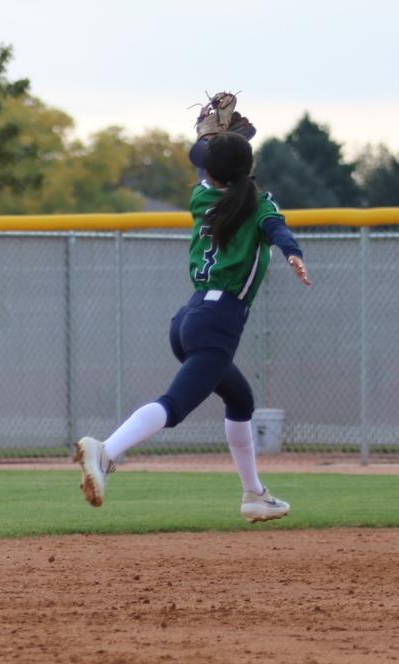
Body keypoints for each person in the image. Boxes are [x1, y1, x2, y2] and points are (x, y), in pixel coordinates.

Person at [71, 130, 310, 521]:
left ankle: (254, 495)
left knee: (240, 401)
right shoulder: (258, 204)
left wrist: (213, 137)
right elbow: (277, 230)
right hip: (218, 323)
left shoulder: (202, 196)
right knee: (174, 406)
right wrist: (293, 253)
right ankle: (106, 452)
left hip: (189, 320)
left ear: (214, 173)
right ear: (248, 169)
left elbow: (206, 163)